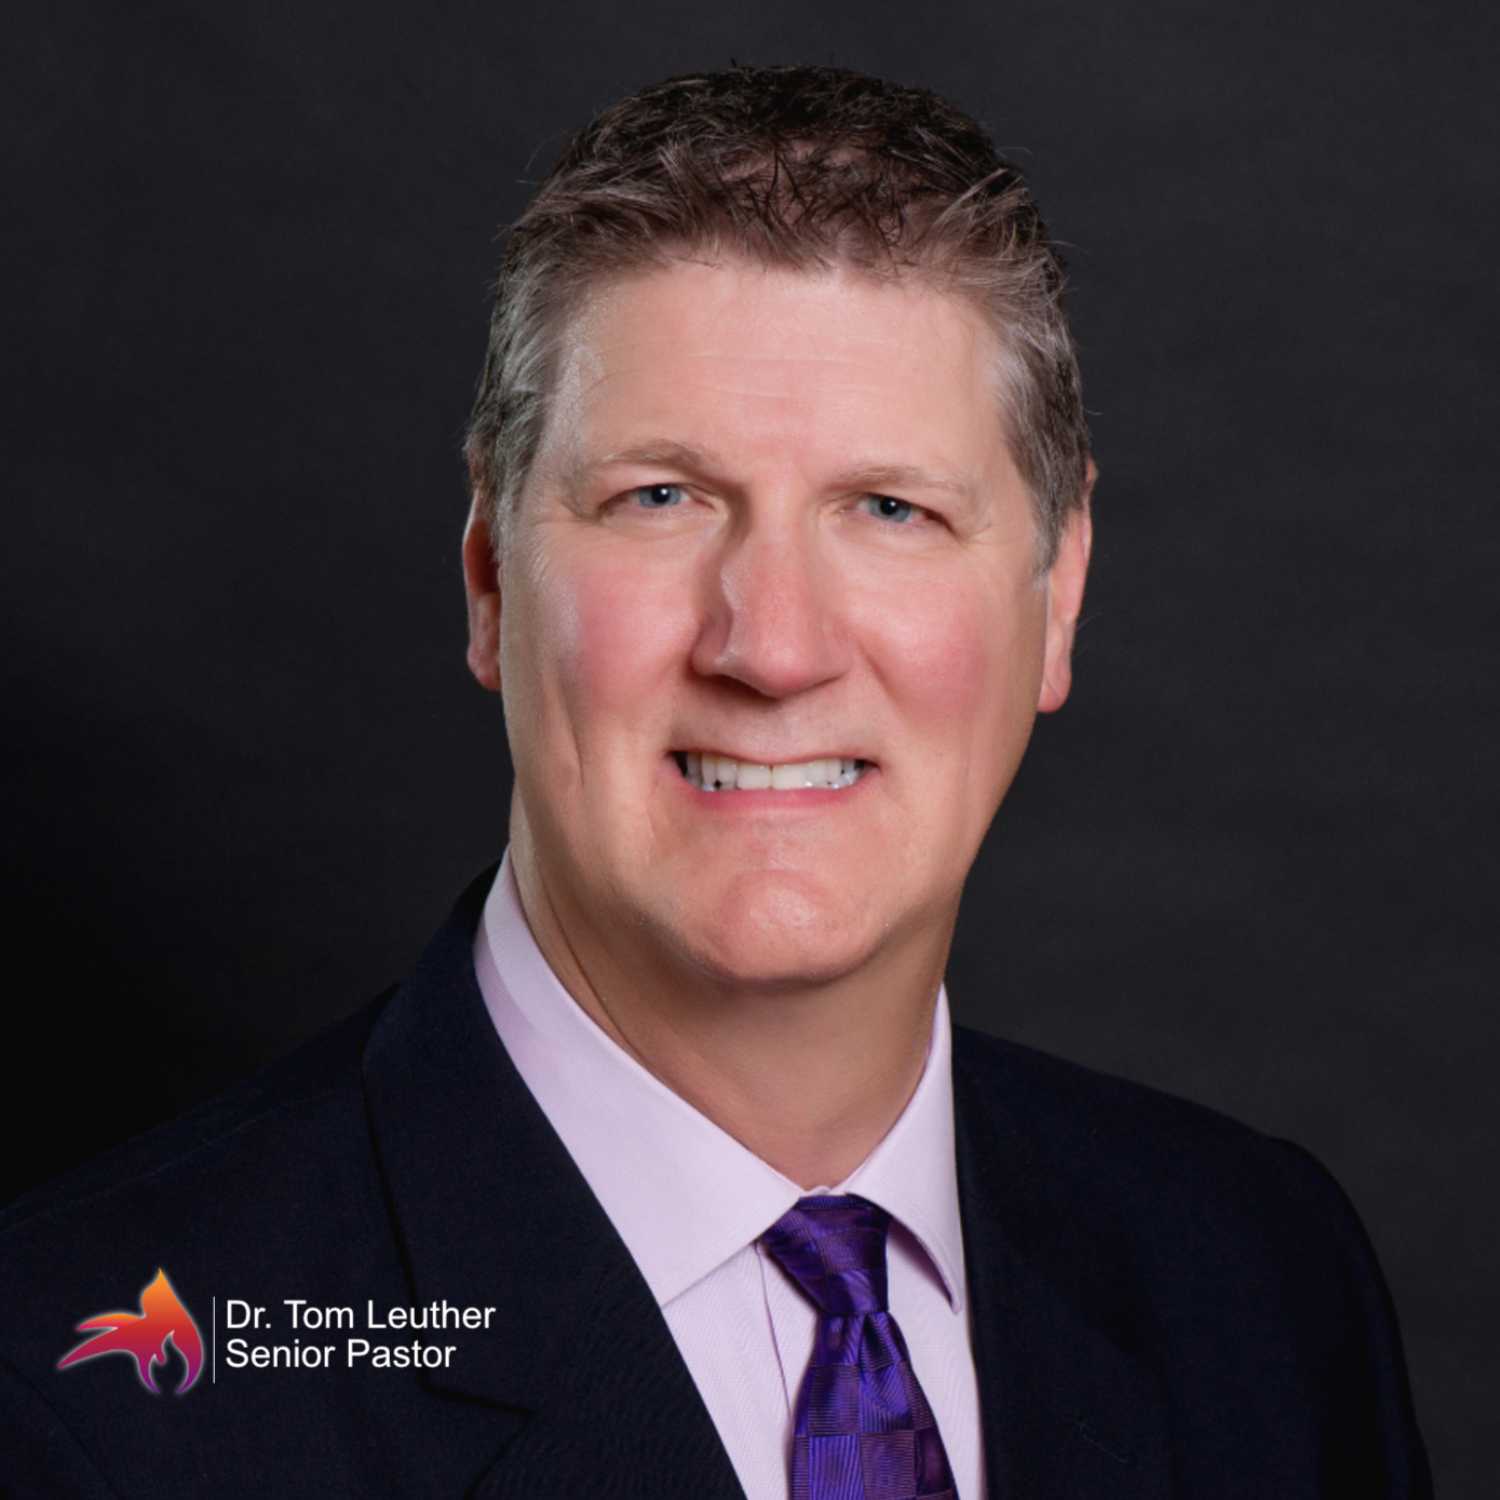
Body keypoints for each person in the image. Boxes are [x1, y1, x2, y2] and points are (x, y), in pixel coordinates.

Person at [0, 63, 1430, 1499]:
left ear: (1056, 592)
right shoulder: (93, 1399)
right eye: (661, 498)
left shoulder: (1262, 1282)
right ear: (492, 579)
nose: (775, 646)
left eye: (890, 508)